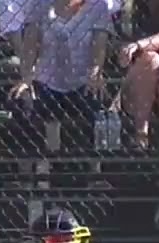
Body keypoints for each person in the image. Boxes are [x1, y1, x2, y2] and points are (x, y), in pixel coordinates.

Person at [10, 0, 113, 153]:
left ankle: (94, 167)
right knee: (23, 99)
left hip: (82, 79)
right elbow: (30, 45)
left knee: (96, 98)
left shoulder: (97, 5)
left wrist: (95, 72)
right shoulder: (39, 4)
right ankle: (37, 168)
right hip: (46, 79)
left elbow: (99, 46)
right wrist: (26, 78)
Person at [116, 0, 159, 150]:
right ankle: (140, 133)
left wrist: (138, 45)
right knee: (151, 59)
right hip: (136, 87)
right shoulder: (128, 8)